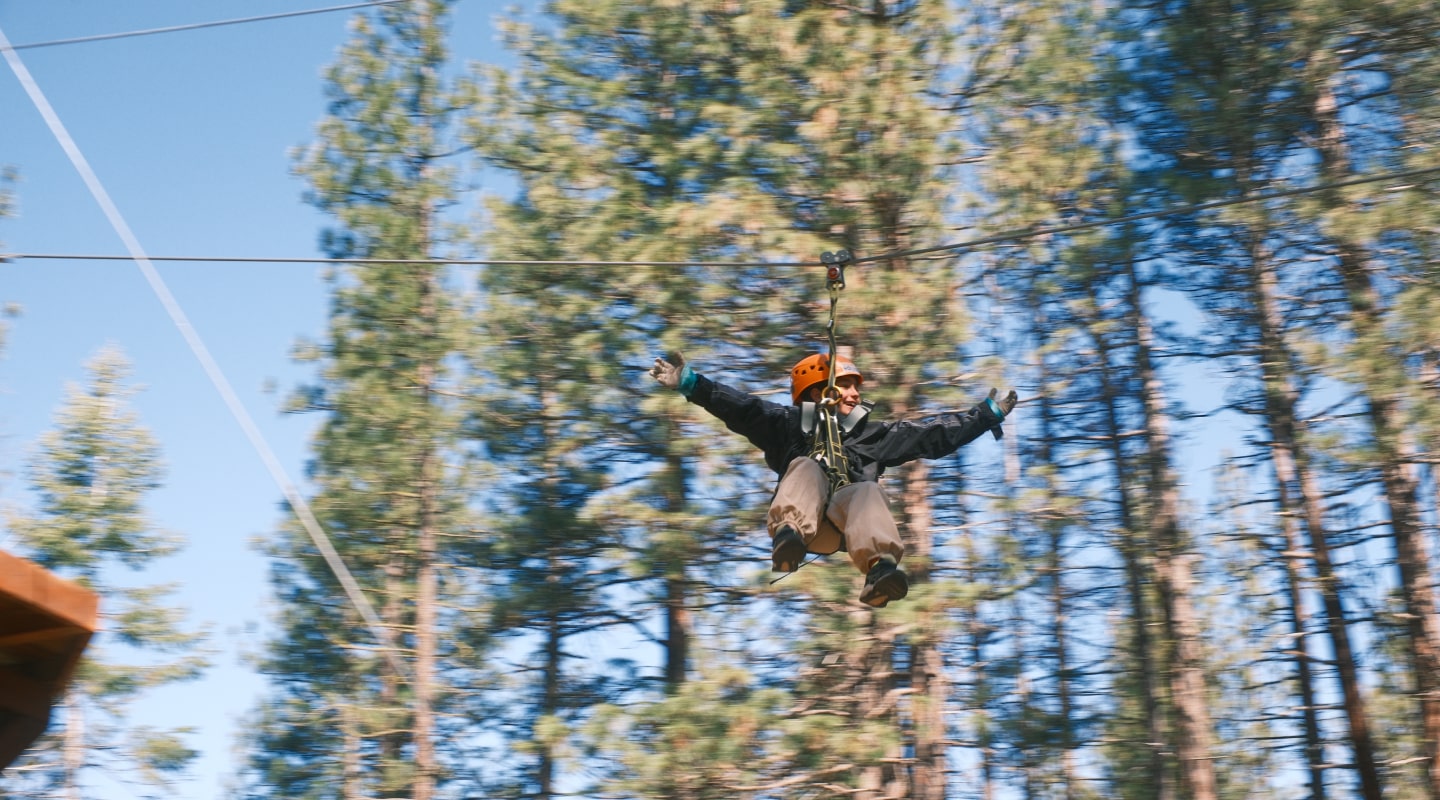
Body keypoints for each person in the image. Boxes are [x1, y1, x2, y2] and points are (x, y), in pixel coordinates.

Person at [650, 350, 1017, 607]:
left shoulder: (870, 435)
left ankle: (879, 570)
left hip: (845, 528)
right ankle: (788, 538)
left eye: (856, 387)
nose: (857, 393)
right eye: (846, 385)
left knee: (867, 491)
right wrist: (691, 383)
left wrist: (983, 417)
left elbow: (929, 435)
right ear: (818, 390)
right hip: (807, 525)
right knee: (807, 466)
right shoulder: (786, 425)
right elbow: (741, 408)